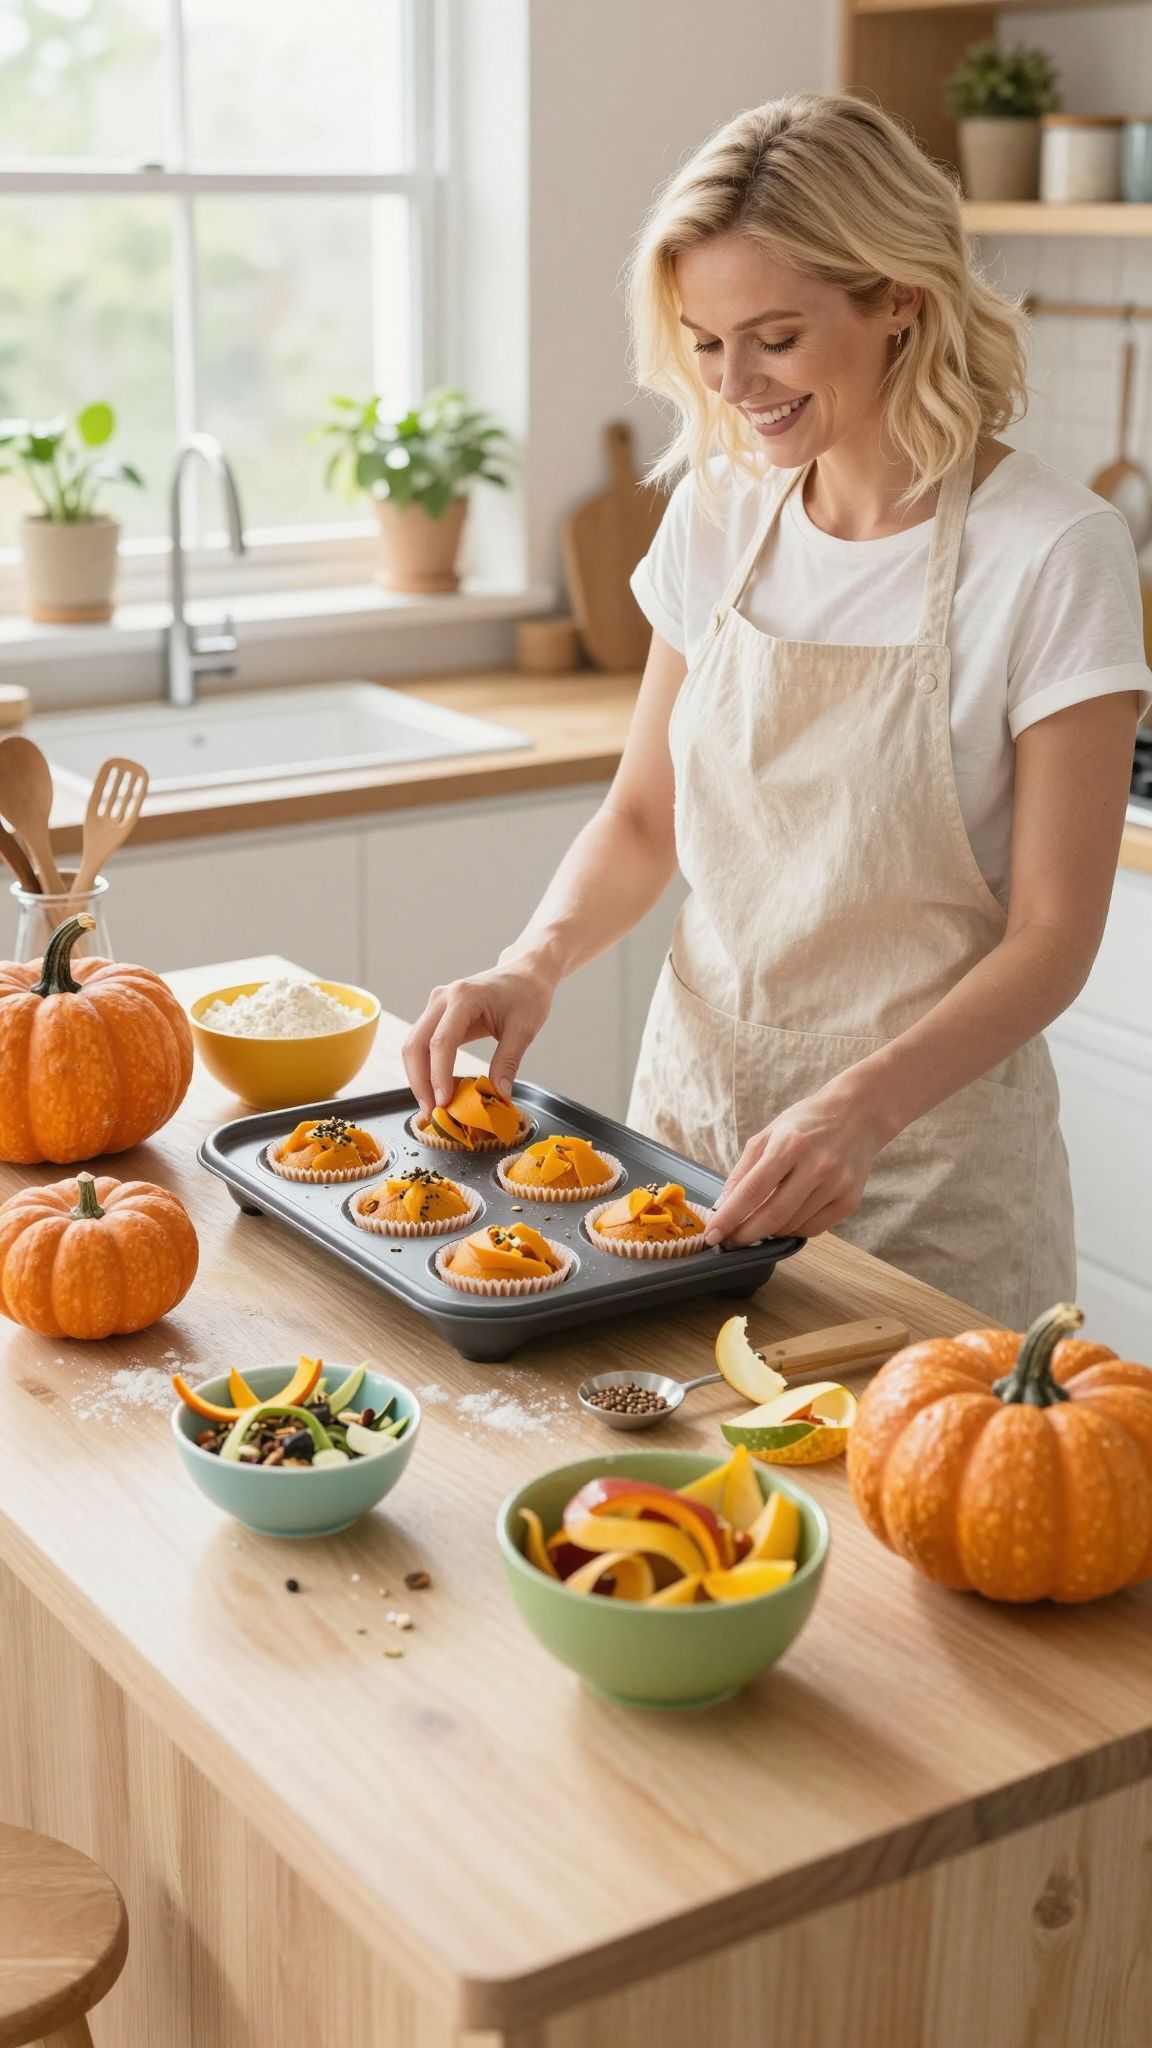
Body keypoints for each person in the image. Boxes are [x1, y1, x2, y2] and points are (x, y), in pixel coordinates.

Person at [403, 93, 1148, 1322]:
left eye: (777, 338)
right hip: (685, 1146)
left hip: (924, 1170)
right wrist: (531, 964)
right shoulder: (719, 510)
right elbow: (646, 818)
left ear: (899, 296)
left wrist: (862, 1104)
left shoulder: (1055, 550)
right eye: (705, 342)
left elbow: (1054, 937)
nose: (736, 384)